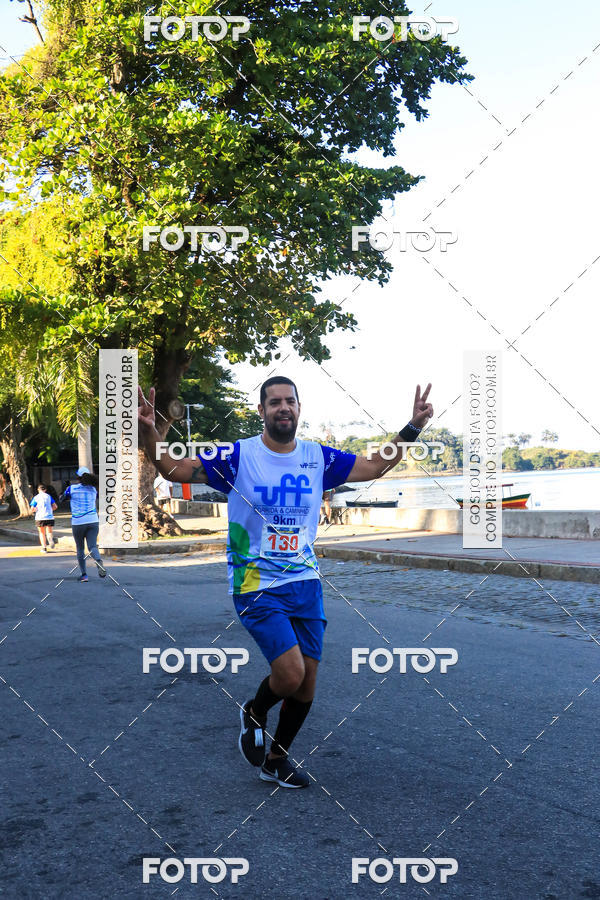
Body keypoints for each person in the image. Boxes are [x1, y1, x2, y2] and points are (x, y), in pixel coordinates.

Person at [138, 378, 433, 788]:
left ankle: (276, 758)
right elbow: (175, 468)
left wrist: (412, 427)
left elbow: (373, 466)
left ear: (299, 408)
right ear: (261, 410)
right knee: (290, 674)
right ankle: (255, 712)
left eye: (289, 401)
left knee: (308, 681)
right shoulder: (238, 455)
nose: (283, 408)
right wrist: (150, 432)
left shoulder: (317, 457)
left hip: (304, 580)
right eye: (274, 402)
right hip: (255, 581)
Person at [60, 467, 106, 583]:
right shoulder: (94, 489)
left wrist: (64, 492)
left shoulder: (72, 488)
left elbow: (62, 499)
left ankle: (84, 575)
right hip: (93, 521)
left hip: (78, 522)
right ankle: (98, 560)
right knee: (92, 546)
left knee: (80, 548)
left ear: (78, 478)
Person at [30, 484, 57, 553]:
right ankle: (50, 538)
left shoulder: (36, 497)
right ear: (45, 490)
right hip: (49, 517)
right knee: (49, 531)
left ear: (38, 490)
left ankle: (44, 548)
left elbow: (32, 509)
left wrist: (34, 510)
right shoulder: (48, 496)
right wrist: (50, 510)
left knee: (42, 533)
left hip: (40, 517)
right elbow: (55, 506)